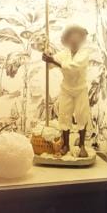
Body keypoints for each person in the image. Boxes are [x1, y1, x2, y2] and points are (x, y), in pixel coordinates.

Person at [43, 24, 93, 158]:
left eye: (77, 38)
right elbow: (51, 64)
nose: (74, 41)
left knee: (82, 115)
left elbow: (73, 67)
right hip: (66, 89)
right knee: (64, 114)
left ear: (81, 39)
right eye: (72, 38)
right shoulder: (63, 54)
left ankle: (82, 145)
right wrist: (47, 58)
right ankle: (66, 145)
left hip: (80, 89)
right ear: (68, 40)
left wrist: (53, 61)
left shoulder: (84, 54)